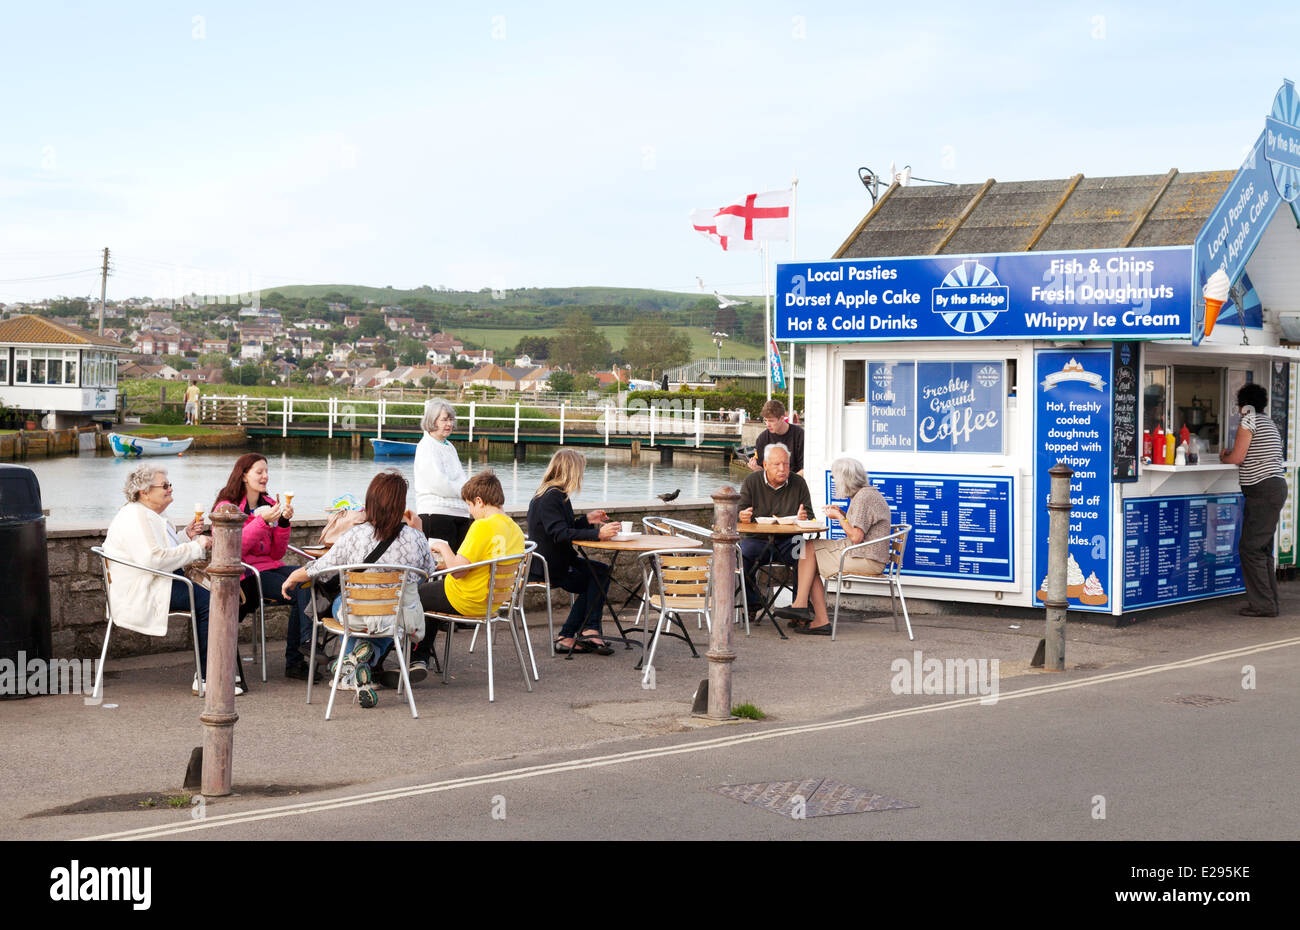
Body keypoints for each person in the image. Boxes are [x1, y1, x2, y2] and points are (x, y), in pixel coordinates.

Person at [280, 470, 436, 708]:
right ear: (401, 506)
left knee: (342, 603)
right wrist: (420, 531)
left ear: (370, 503)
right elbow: (429, 570)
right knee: (391, 619)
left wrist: (293, 576)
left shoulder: (354, 535)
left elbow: (322, 568)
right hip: (394, 618)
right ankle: (360, 663)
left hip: (354, 615)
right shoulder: (415, 538)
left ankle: (347, 668)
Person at [102, 464, 246, 695]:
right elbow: (154, 560)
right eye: (165, 485)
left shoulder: (149, 514)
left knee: (216, 595)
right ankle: (209, 678)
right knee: (209, 603)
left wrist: (185, 536)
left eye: (170, 484)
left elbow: (162, 551)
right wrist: (196, 545)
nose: (170, 489)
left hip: (158, 579)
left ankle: (221, 667)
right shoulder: (136, 517)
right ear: (144, 491)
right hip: (143, 588)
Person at [412, 469, 527, 668]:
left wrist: (443, 547)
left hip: (466, 598)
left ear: (479, 501)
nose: (470, 512)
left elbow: (457, 572)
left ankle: (416, 658)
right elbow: (482, 562)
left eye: (469, 505)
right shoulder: (515, 530)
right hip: (493, 602)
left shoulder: (482, 526)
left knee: (413, 596)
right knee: (429, 596)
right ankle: (419, 658)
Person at [213, 453, 314, 679]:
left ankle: (303, 649)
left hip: (270, 566)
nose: (265, 476)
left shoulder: (269, 504)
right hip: (245, 574)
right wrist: (262, 521)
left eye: (267, 471)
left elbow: (277, 552)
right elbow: (232, 548)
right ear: (243, 476)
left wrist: (283, 522)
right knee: (299, 588)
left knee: (310, 579)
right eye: (259, 472)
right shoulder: (226, 507)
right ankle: (299, 655)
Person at [775, 457, 892, 635]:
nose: (835, 482)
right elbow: (860, 527)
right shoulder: (867, 494)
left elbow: (856, 536)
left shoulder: (863, 498)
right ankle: (809, 612)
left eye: (836, 478)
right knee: (806, 550)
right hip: (867, 555)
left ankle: (803, 607)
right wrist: (843, 513)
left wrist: (839, 518)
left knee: (806, 551)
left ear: (846, 479)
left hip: (866, 558)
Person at [526, 449, 619, 655]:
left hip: (558, 559)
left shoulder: (554, 495)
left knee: (600, 572)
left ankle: (574, 634)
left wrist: (588, 520)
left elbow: (562, 528)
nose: (582, 475)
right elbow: (560, 534)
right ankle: (584, 631)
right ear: (572, 471)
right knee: (595, 578)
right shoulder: (552, 498)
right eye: (581, 470)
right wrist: (598, 535)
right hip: (550, 566)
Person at [1220, 382, 1287, 617]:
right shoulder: (1268, 422)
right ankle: (1269, 602)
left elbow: (1238, 457)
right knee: (1262, 549)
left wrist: (1224, 456)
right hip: (1274, 487)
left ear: (1244, 404)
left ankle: (1263, 605)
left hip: (1263, 490)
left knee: (1250, 548)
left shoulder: (1248, 420)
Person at [738, 442, 813, 622]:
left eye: (786, 464)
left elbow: (810, 516)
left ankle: (798, 607)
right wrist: (742, 516)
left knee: (804, 554)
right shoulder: (752, 482)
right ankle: (754, 601)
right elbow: (738, 515)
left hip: (790, 540)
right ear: (764, 465)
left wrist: (803, 517)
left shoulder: (798, 482)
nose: (782, 469)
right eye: (777, 464)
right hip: (758, 540)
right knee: (740, 555)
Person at [415, 398, 471, 551]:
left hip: (460, 512)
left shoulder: (449, 446)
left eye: (451, 419)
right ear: (432, 421)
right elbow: (438, 483)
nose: (449, 424)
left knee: (459, 566)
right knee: (441, 567)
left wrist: (468, 490)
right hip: (437, 513)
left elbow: (461, 477)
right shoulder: (426, 446)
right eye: (444, 420)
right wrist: (465, 492)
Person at [747, 399, 805, 474]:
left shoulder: (800, 435)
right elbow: (763, 470)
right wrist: (756, 469)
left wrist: (790, 483)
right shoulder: (762, 439)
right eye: (765, 420)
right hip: (772, 482)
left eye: (771, 421)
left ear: (781, 419)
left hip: (796, 481)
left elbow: (805, 468)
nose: (767, 424)